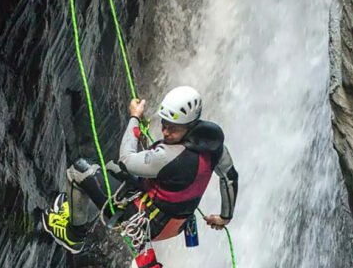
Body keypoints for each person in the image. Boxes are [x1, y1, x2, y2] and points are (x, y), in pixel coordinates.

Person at [42, 86, 238, 254]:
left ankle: (74, 236)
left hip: (148, 225)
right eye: (164, 124)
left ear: (190, 125)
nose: (165, 132)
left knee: (79, 171)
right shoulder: (214, 145)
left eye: (173, 128)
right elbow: (229, 177)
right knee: (111, 169)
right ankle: (89, 209)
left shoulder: (168, 156)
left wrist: (134, 117)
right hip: (177, 223)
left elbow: (126, 159)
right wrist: (225, 217)